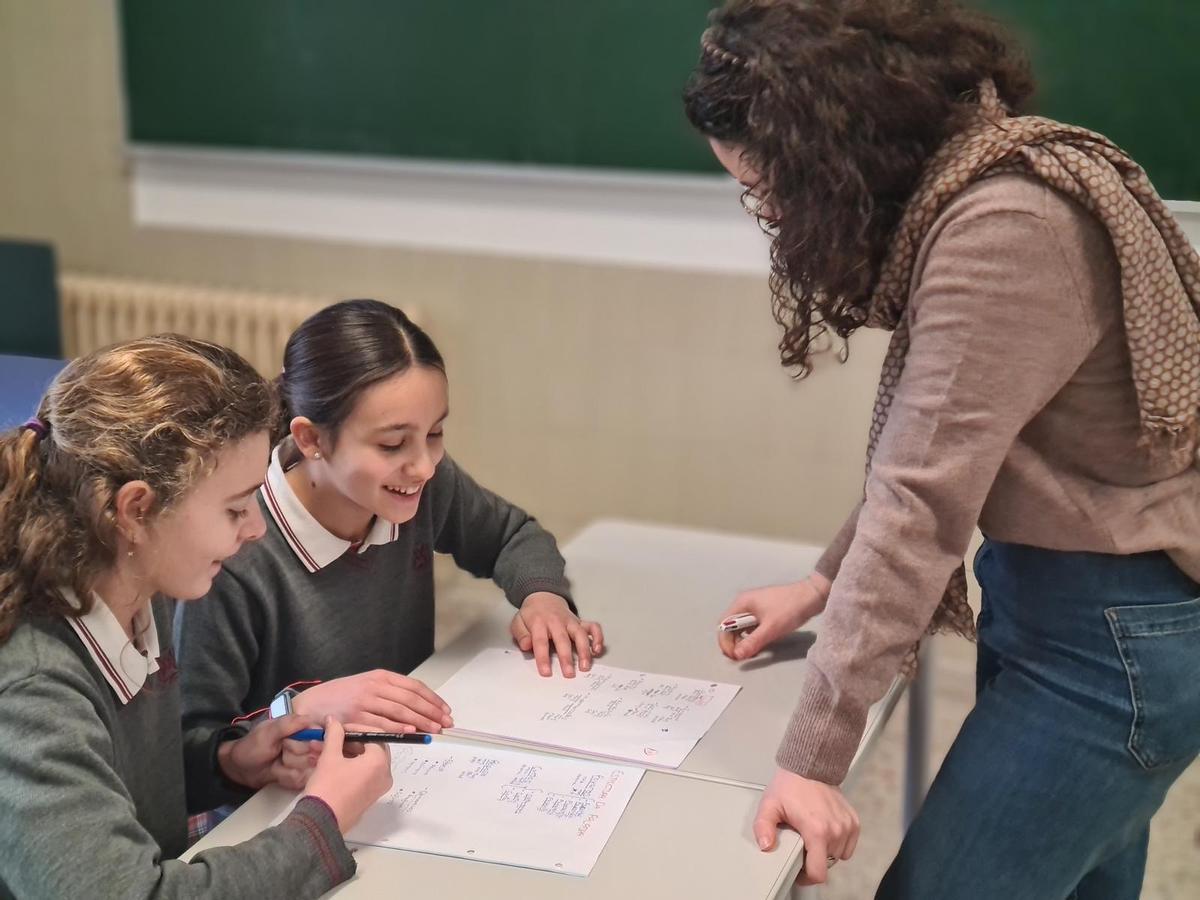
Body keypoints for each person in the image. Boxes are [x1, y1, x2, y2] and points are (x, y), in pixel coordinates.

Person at [683, 1, 1200, 896]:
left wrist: (812, 758)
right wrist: (820, 585)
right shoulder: (996, 181)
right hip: (1086, 613)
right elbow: (941, 450)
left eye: (768, 187)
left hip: (1108, 642)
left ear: (833, 157)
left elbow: (918, 502)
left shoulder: (1007, 227)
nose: (768, 212)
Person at [0, 335, 392, 899]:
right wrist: (321, 822)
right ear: (135, 510)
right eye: (235, 508)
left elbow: (112, 774)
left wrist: (226, 761)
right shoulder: (31, 692)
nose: (256, 528)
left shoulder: (136, 581)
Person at [176, 299, 603, 784]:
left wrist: (543, 598)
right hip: (291, 799)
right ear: (311, 440)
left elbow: (512, 535)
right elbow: (195, 748)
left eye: (435, 433)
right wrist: (297, 711)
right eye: (392, 444)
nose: (423, 466)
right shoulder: (236, 550)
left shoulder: (420, 485)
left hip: (409, 766)